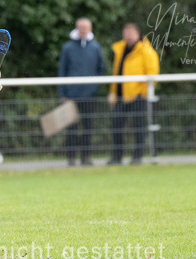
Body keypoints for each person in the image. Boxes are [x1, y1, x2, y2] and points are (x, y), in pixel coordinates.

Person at [108, 22, 160, 165]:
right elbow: (117, 73)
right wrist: (112, 92)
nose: (128, 36)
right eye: (126, 33)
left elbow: (152, 73)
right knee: (116, 126)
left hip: (138, 96)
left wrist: (142, 93)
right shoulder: (120, 50)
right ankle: (117, 157)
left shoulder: (146, 50)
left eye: (131, 33)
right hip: (120, 96)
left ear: (138, 34)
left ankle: (137, 156)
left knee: (139, 127)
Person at [58, 18, 106, 166]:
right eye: (81, 27)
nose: (83, 30)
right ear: (77, 29)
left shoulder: (95, 47)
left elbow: (101, 69)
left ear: (90, 29)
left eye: (86, 28)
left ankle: (86, 157)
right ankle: (71, 158)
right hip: (71, 94)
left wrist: (93, 87)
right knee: (71, 128)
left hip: (89, 95)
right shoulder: (68, 48)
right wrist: (62, 93)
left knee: (88, 127)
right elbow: (62, 70)